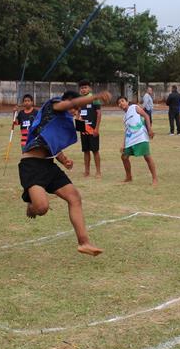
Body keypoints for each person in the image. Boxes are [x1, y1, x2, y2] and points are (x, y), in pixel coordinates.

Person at [19, 90, 112, 256]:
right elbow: (68, 105)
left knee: (74, 197)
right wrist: (95, 97)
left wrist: (64, 160)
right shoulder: (54, 106)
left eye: (77, 109)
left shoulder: (64, 121)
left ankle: (84, 243)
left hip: (48, 164)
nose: (74, 111)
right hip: (31, 164)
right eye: (74, 107)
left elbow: (51, 141)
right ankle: (32, 205)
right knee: (42, 208)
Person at [118, 96, 158, 186]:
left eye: (122, 101)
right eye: (119, 103)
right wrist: (123, 144)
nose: (121, 103)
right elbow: (126, 131)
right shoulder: (124, 117)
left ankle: (155, 179)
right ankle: (129, 177)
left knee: (147, 157)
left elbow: (146, 116)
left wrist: (150, 129)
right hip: (130, 139)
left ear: (127, 102)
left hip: (141, 137)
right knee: (124, 157)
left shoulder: (134, 107)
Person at [76, 80, 102, 178]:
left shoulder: (94, 99)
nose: (83, 89)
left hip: (92, 129)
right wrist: (78, 122)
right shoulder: (80, 100)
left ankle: (98, 172)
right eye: (82, 88)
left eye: (85, 87)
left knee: (95, 151)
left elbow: (99, 113)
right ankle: (87, 171)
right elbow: (78, 113)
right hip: (84, 130)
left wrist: (97, 128)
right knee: (85, 151)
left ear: (90, 88)